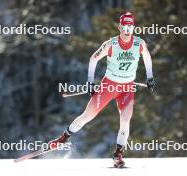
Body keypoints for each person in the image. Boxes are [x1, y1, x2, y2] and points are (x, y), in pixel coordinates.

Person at [50, 12, 155, 167]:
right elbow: (93, 59)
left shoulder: (138, 43)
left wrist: (150, 77)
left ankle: (118, 153)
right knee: (88, 116)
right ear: (120, 27)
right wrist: (90, 83)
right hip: (109, 85)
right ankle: (63, 137)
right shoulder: (111, 44)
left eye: (130, 27)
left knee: (126, 119)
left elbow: (147, 57)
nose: (127, 30)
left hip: (127, 87)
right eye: (124, 27)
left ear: (133, 28)